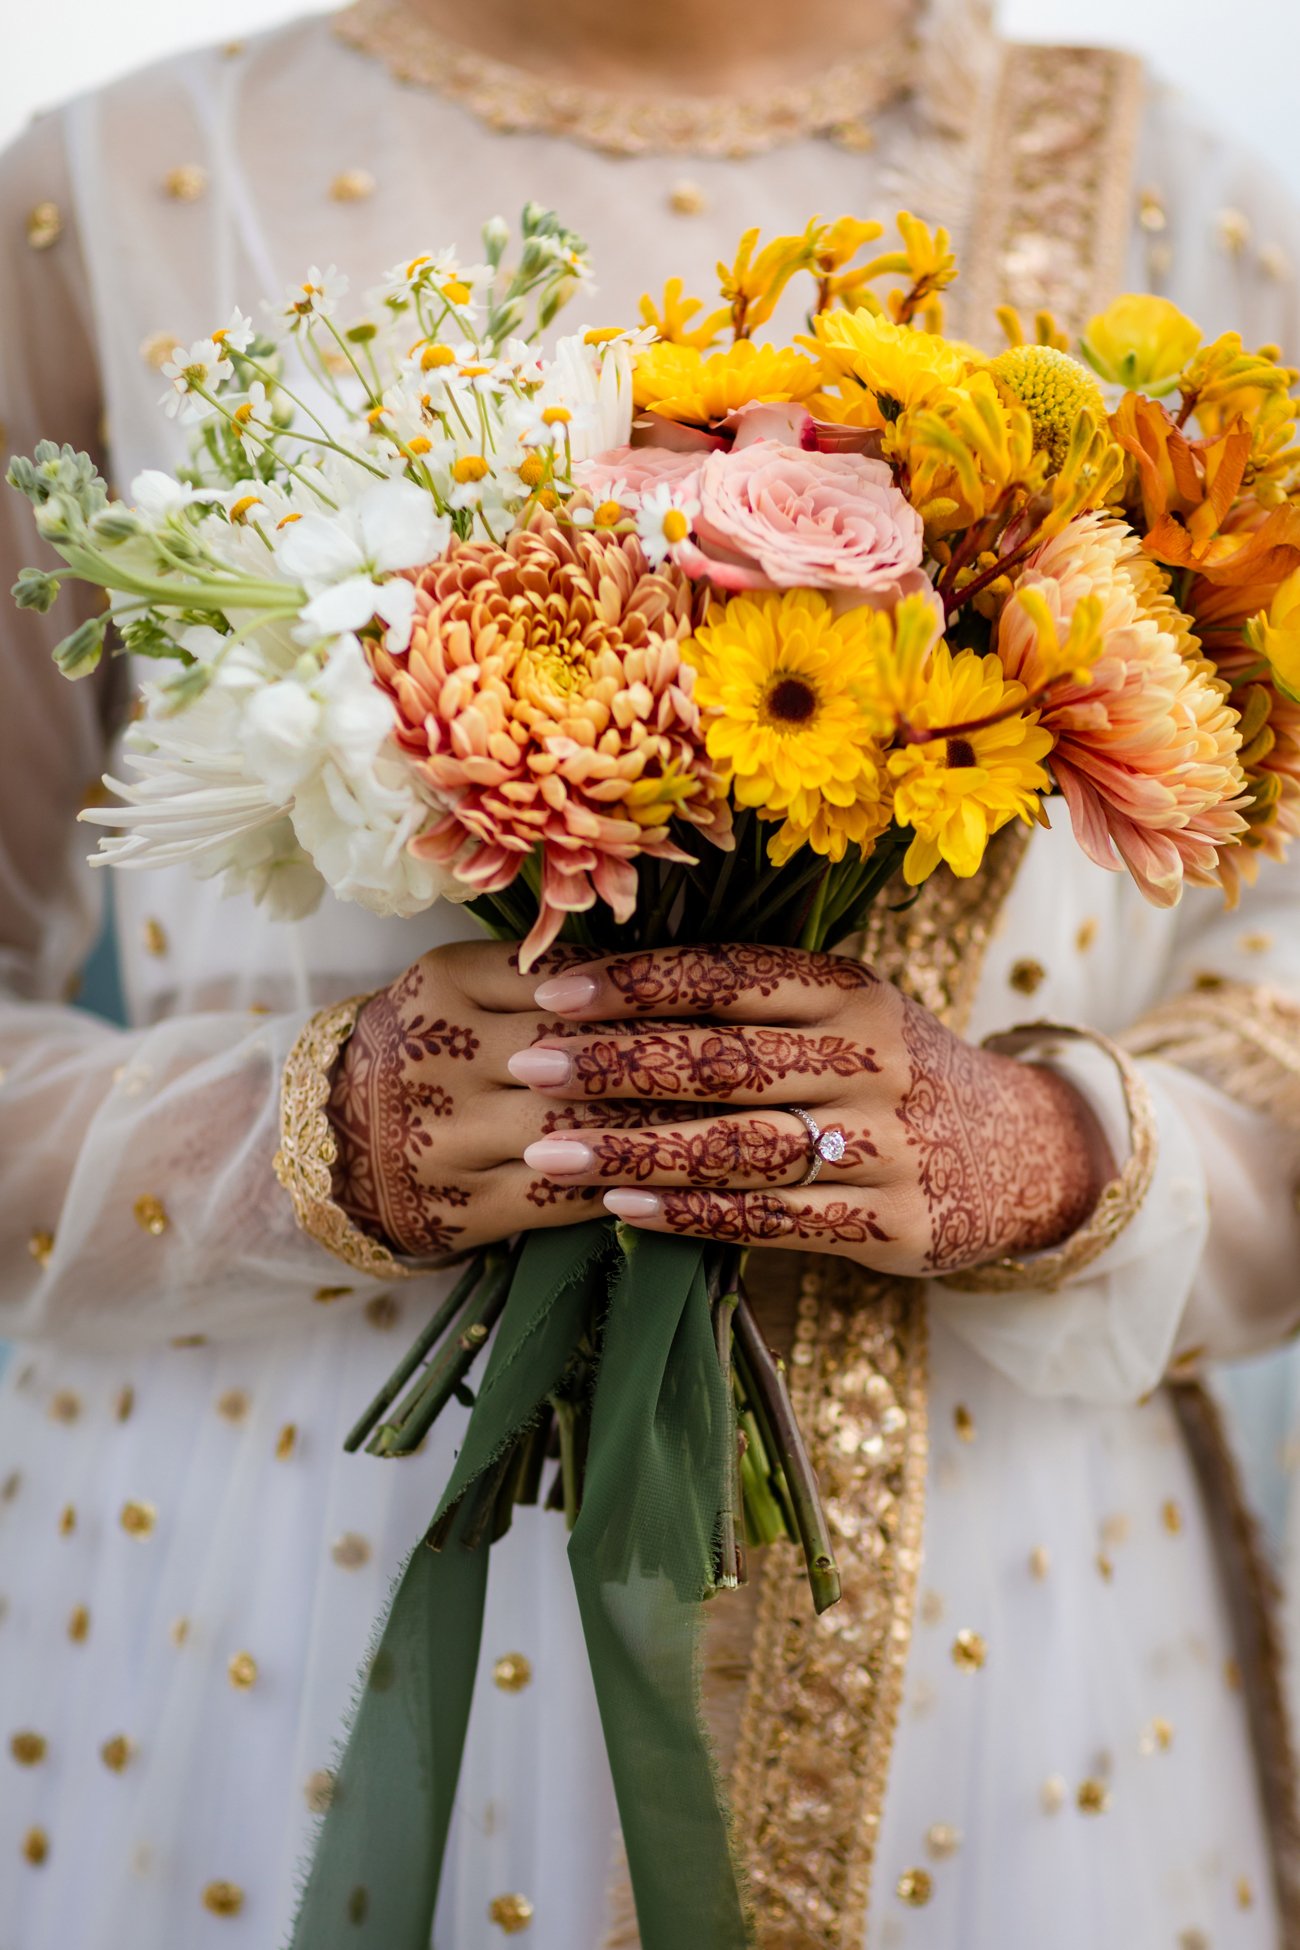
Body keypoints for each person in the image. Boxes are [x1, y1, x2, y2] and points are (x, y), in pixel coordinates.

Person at [2, 2, 1300, 1945]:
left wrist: (1053, 1150)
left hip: (1004, 1610)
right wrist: (308, 1134)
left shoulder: (1162, 191)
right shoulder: (107, 192)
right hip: (267, 1569)